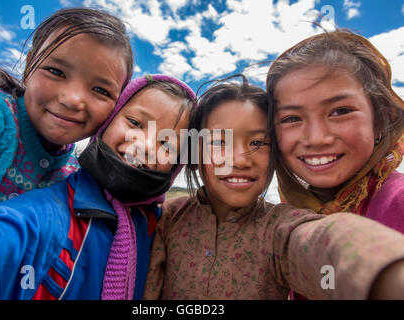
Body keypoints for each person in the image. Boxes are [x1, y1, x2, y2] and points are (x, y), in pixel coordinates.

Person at [143, 77, 404, 300]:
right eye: (219, 141)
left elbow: (319, 242)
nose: (241, 159)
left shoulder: (280, 227)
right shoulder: (169, 216)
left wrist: (385, 268)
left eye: (258, 142)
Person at [0, 74, 196, 300]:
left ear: (176, 166)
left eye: (167, 144)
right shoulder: (41, 216)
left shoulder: (158, 226)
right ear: (107, 123)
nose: (145, 145)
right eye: (134, 122)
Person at [0, 8, 134, 224]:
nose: (72, 99)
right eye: (56, 72)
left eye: (101, 90)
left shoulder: (75, 176)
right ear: (29, 66)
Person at [266, 30, 404, 299]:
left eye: (340, 111)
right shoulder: (286, 218)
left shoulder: (398, 202)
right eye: (291, 118)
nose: (316, 138)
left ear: (381, 119)